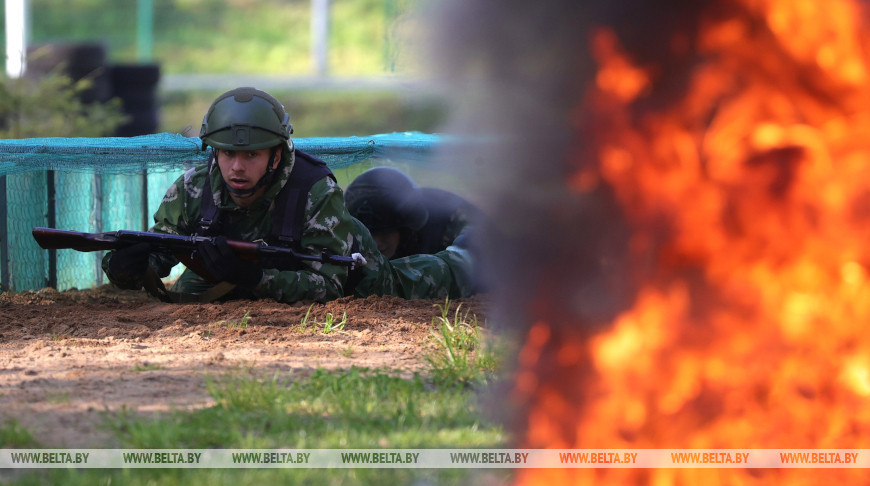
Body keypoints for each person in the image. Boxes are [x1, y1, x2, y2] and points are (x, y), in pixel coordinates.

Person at [102, 87, 357, 303]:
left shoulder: (316, 192)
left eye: (251, 155)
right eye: (227, 154)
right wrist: (125, 268)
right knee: (184, 298)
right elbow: (160, 251)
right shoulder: (193, 188)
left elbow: (331, 287)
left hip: (361, 275)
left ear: (276, 156)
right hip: (224, 273)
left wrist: (255, 278)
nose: (237, 167)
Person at [344, 166, 481, 259]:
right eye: (369, 233)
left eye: (385, 233)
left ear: (405, 228)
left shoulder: (453, 219)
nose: (377, 242)